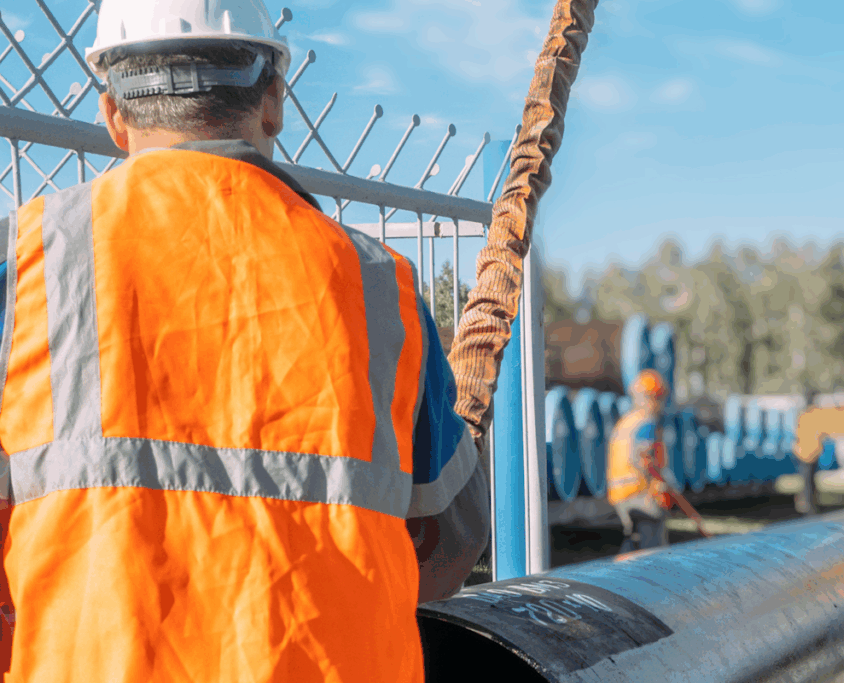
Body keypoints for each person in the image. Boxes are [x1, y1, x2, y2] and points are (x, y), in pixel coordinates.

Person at [0, 1, 489, 680]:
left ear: (113, 115)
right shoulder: (382, 286)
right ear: (274, 102)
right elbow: (453, 539)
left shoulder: (28, 267)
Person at [606, 369, 675, 552]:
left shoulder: (627, 422)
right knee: (653, 542)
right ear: (651, 397)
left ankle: (622, 572)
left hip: (619, 493)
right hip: (638, 492)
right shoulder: (647, 422)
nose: (660, 404)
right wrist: (659, 486)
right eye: (659, 398)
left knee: (633, 539)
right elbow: (645, 458)